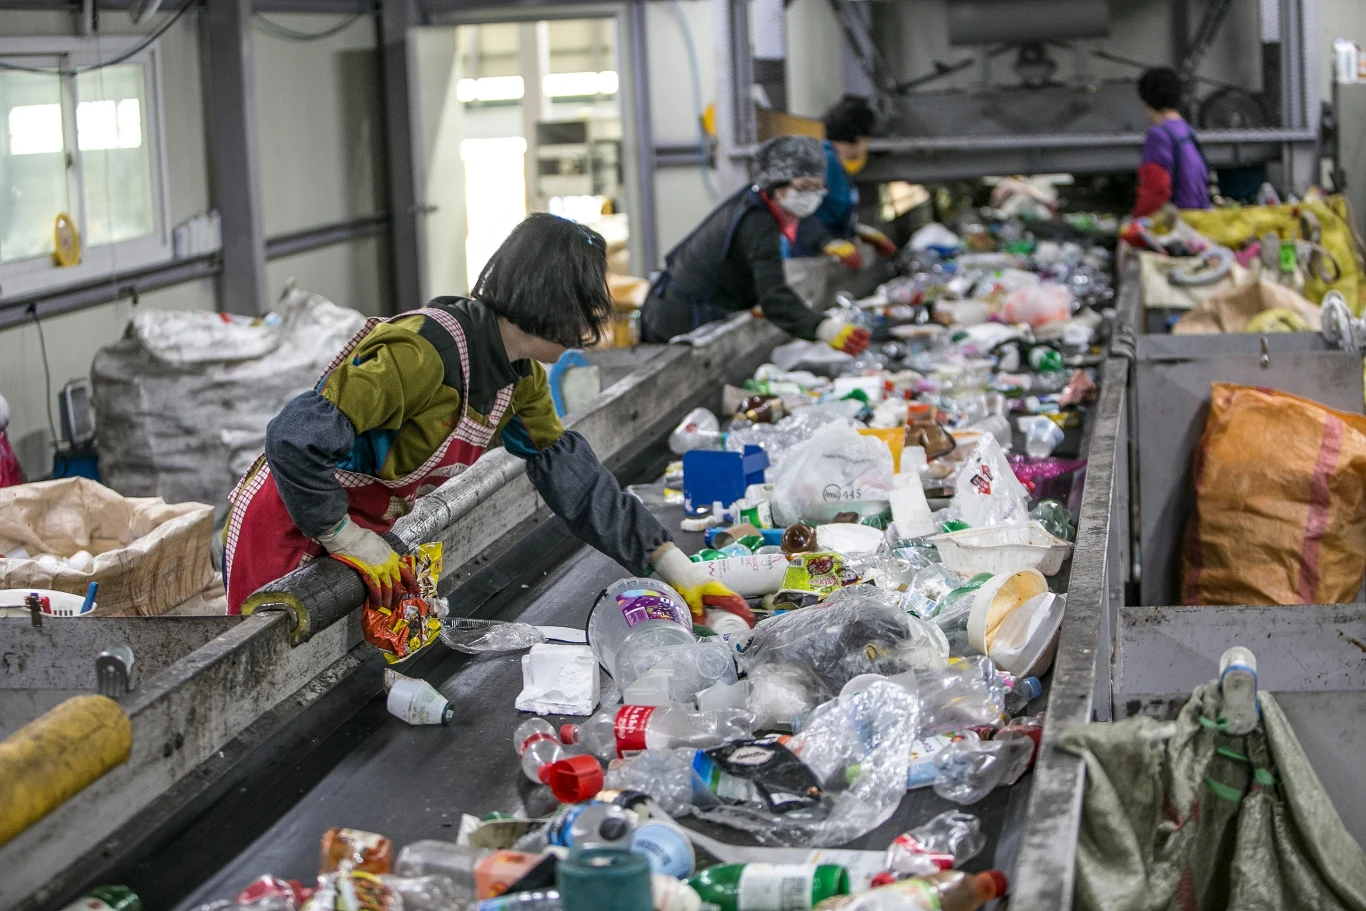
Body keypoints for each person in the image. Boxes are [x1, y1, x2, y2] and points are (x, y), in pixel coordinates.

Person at [223, 214, 752, 628]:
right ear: (549, 297)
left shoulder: (518, 379)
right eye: (583, 306)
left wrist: (672, 566)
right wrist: (342, 535)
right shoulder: (421, 352)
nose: (587, 326)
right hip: (293, 517)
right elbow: (292, 439)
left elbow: (577, 481)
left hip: (359, 523)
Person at [638, 135, 871, 355]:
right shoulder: (758, 221)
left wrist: (828, 240)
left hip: (690, 308)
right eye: (803, 187)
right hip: (676, 319)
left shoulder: (760, 200)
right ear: (777, 185)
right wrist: (825, 328)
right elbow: (773, 296)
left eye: (817, 188)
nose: (811, 197)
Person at [794, 95, 898, 269]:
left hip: (822, 262)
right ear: (859, 138)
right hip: (804, 262)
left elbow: (826, 213)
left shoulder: (836, 164)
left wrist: (860, 231)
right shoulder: (823, 163)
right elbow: (795, 209)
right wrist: (825, 241)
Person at [1133, 67, 1212, 217]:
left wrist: (1136, 220)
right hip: (1199, 217)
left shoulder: (1158, 135)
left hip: (1179, 221)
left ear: (1147, 103)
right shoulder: (1186, 130)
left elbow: (1157, 188)